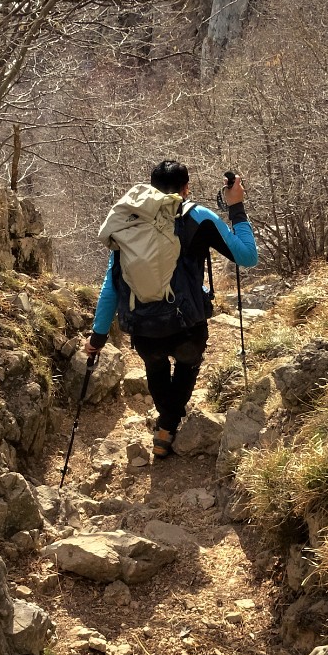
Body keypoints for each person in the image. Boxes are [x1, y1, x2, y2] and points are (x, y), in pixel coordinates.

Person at [84, 160, 257, 458]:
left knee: (156, 368)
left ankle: (166, 426)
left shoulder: (130, 222)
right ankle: (167, 426)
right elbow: (247, 256)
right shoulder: (198, 216)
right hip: (187, 324)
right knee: (187, 365)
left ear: (151, 189)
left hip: (143, 326)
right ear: (186, 188)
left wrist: (97, 339)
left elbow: (111, 285)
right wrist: (236, 208)